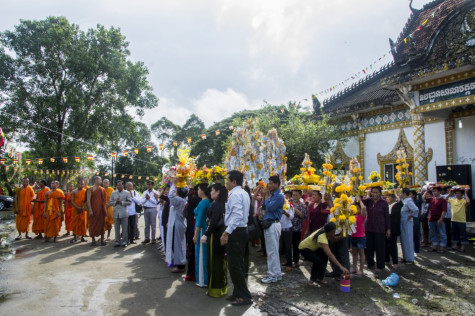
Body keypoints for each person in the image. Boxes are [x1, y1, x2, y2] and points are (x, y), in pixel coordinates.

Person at [220, 170, 252, 306]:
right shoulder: (243, 193)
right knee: (237, 264)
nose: (225, 182)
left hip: (236, 232)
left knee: (234, 266)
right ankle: (237, 293)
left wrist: (226, 233)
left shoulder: (235, 194)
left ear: (234, 181)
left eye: (227, 179)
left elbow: (237, 215)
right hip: (241, 230)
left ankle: (245, 296)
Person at [299, 222, 350, 286]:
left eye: (334, 231)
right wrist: (341, 267)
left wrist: (341, 236)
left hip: (314, 248)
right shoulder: (322, 237)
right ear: (328, 232)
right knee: (317, 261)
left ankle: (320, 278)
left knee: (324, 257)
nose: (334, 234)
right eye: (333, 232)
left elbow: (333, 240)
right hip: (304, 249)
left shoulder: (326, 231)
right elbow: (330, 254)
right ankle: (312, 280)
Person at [201, 183, 228, 298]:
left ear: (218, 192)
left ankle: (215, 289)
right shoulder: (221, 203)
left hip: (215, 236)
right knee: (220, 261)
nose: (210, 192)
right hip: (219, 234)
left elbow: (213, 222)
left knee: (214, 262)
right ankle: (221, 288)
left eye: (212, 190)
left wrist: (206, 234)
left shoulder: (217, 204)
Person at [260, 175, 285, 284]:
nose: (268, 185)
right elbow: (264, 205)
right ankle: (277, 273)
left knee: (272, 251)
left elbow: (269, 207)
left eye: (270, 183)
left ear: (276, 184)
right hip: (270, 224)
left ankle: (272, 275)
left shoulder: (279, 196)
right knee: (273, 250)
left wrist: (266, 196)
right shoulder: (273, 195)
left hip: (273, 224)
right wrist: (266, 197)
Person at [362, 187, 390, 275]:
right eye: (373, 192)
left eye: (377, 192)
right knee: (369, 247)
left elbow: (387, 216)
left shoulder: (384, 203)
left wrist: (388, 228)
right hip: (369, 227)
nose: (375, 194)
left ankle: (380, 265)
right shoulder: (368, 201)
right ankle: (370, 264)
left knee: (380, 248)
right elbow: (360, 202)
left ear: (380, 193)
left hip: (380, 228)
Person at [166, 178, 188, 273]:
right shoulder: (183, 200)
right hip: (179, 223)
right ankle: (178, 262)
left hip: (178, 224)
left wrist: (174, 184)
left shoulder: (179, 200)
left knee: (178, 245)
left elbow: (170, 196)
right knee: (178, 244)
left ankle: (180, 266)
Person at [193, 183, 212, 287]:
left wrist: (195, 235)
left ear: (203, 191)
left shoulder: (203, 203)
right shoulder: (207, 201)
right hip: (205, 228)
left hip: (201, 230)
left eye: (199, 189)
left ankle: (202, 279)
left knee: (201, 254)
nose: (197, 191)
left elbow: (199, 221)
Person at [423, 186, 447, 253]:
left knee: (442, 234)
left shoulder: (443, 200)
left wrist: (441, 219)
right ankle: (434, 246)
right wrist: (427, 191)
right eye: (433, 191)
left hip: (439, 219)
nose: (434, 192)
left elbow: (444, 210)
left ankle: (442, 247)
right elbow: (423, 198)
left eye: (435, 191)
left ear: (439, 192)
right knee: (433, 233)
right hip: (431, 219)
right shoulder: (431, 199)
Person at [108, 180, 132, 248]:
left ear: (123, 185)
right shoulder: (113, 193)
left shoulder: (127, 193)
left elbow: (130, 202)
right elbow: (110, 202)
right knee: (116, 229)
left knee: (124, 229)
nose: (119, 186)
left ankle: (124, 241)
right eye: (117, 185)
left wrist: (122, 202)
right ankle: (117, 241)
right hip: (116, 213)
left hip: (124, 213)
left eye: (120, 185)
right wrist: (116, 202)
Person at [447, 187, 470, 252]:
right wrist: (450, 193)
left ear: (461, 194)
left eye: (459, 193)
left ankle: (463, 246)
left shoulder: (463, 200)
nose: (457, 194)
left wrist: (465, 193)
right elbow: (445, 199)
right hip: (454, 220)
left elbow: (468, 201)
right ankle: (455, 245)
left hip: (461, 220)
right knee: (454, 233)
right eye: (456, 193)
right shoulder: (452, 200)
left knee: (463, 234)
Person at [400, 188, 420, 265]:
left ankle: (410, 258)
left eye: (401, 193)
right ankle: (405, 256)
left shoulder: (408, 200)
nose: (401, 195)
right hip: (403, 222)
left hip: (407, 222)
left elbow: (416, 209)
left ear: (405, 193)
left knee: (408, 239)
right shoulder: (404, 200)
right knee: (403, 240)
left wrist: (411, 215)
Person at [185, 186, 201, 282]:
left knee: (193, 249)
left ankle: (193, 273)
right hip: (191, 225)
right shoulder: (193, 199)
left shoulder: (197, 200)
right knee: (191, 249)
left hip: (194, 226)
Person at [86, 176, 107, 246]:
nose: (101, 181)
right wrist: (90, 210)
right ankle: (93, 240)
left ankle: (102, 239)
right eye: (100, 179)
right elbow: (88, 200)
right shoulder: (90, 189)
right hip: (93, 210)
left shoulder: (102, 189)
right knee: (92, 224)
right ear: (95, 180)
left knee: (102, 224)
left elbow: (104, 200)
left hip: (101, 210)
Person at [385, 191, 402, 269]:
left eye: (389, 197)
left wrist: (395, 193)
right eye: (386, 197)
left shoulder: (396, 205)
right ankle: (387, 259)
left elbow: (400, 203)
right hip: (385, 228)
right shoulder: (386, 205)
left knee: (393, 245)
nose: (387, 198)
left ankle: (395, 262)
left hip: (393, 228)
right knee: (386, 245)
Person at [350, 196, 366, 275]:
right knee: (354, 253)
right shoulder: (352, 215)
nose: (356, 210)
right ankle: (354, 267)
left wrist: (359, 200)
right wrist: (354, 201)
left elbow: (363, 208)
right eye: (355, 209)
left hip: (360, 237)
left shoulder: (361, 216)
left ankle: (361, 269)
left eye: (358, 208)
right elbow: (350, 207)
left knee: (361, 253)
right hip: (353, 236)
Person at [290, 190, 307, 268]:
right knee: (288, 244)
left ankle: (296, 261)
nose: (295, 197)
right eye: (293, 195)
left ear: (300, 196)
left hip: (297, 228)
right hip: (288, 227)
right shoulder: (289, 203)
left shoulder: (302, 205)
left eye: (296, 195)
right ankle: (288, 260)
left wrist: (296, 210)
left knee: (296, 245)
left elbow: (303, 216)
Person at [279, 193, 294, 272]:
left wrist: (285, 212)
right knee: (279, 247)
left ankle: (289, 264)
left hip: (287, 228)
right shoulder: (277, 205)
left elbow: (292, 217)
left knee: (288, 247)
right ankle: (277, 265)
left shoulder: (289, 205)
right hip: (279, 228)